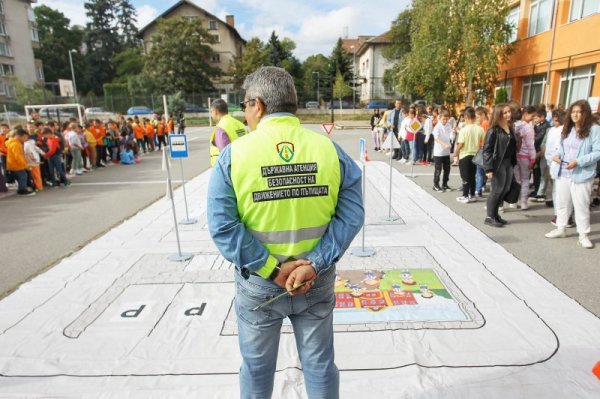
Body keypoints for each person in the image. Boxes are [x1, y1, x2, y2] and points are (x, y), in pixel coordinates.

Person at [207, 66, 363, 399]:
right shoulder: (329, 151)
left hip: (261, 284)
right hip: (314, 279)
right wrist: (315, 262)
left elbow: (222, 226)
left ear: (259, 105)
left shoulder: (234, 155)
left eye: (246, 105)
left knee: (257, 368)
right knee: (320, 366)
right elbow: (352, 214)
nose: (244, 113)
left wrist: (273, 270)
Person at [545, 100, 600, 249]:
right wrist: (557, 155)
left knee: (581, 205)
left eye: (579, 112)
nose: (575, 115)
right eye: (573, 111)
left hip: (581, 174)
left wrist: (579, 161)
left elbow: (597, 152)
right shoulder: (568, 128)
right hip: (563, 171)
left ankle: (583, 235)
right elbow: (563, 149)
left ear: (585, 113)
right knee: (562, 203)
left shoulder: (594, 129)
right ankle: (561, 228)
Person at [482, 104, 517, 227]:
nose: (509, 114)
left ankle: (495, 215)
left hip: (508, 163)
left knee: (504, 189)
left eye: (509, 112)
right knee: (496, 191)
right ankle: (490, 216)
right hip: (498, 164)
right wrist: (489, 168)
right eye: (505, 113)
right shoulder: (494, 130)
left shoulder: (510, 128)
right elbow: (486, 150)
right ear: (499, 115)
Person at [455, 107, 485, 203]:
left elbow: (461, 144)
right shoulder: (480, 129)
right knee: (472, 176)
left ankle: (465, 195)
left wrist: (456, 153)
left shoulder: (463, 130)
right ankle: (472, 195)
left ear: (466, 117)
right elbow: (484, 142)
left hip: (465, 155)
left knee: (465, 176)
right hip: (475, 156)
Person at [209, 99, 248, 166]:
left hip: (229, 171)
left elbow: (225, 157)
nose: (211, 115)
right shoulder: (240, 124)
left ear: (215, 111)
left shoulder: (220, 128)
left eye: (211, 112)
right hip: (244, 166)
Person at [512, 106, 536, 210]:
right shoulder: (528, 127)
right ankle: (523, 203)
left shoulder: (514, 125)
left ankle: (512, 201)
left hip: (515, 156)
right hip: (525, 157)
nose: (533, 118)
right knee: (525, 180)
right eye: (532, 115)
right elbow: (531, 145)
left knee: (516, 180)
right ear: (525, 114)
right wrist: (533, 159)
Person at [6, 128, 35, 196]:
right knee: (23, 176)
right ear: (18, 136)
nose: (25, 139)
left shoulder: (14, 143)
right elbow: (18, 157)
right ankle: (22, 190)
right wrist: (25, 165)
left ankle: (22, 189)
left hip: (15, 164)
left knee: (22, 176)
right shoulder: (15, 144)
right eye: (24, 137)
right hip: (16, 165)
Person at [432, 109, 453, 192]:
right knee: (438, 169)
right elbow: (436, 138)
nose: (445, 120)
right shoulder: (437, 126)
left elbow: (450, 135)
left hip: (446, 152)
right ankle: (436, 185)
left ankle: (445, 184)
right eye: (443, 119)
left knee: (447, 169)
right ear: (439, 118)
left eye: (446, 119)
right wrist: (444, 144)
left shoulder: (448, 125)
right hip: (438, 152)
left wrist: (453, 134)